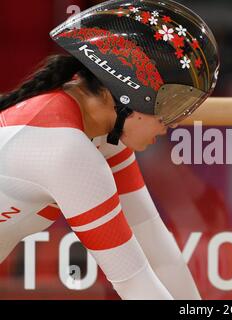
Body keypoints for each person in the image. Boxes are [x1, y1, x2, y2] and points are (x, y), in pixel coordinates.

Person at [0, 0, 220, 300]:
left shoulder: (98, 131)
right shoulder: (67, 149)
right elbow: (134, 284)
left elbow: (155, 244)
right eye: (171, 105)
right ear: (128, 92)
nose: (172, 124)